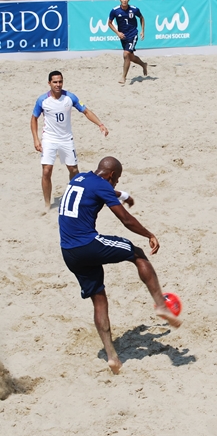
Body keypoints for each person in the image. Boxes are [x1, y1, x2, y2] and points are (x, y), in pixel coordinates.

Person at [59, 156, 181, 375]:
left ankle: (112, 357)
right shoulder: (102, 185)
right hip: (87, 244)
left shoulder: (80, 178)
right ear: (112, 176)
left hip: (69, 252)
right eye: (117, 181)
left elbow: (98, 191)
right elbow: (125, 219)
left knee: (98, 298)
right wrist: (149, 234)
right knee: (138, 254)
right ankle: (161, 305)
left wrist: (122, 194)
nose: (115, 185)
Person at [31, 70, 109, 211]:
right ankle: (47, 204)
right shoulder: (42, 100)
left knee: (73, 169)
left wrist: (100, 124)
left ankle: (73, 198)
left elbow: (86, 111)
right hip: (49, 138)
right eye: (55, 82)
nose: (58, 84)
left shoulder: (70, 97)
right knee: (47, 170)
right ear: (49, 83)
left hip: (66, 139)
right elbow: (34, 118)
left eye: (60, 81)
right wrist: (36, 139)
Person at [108, 0, 148, 84]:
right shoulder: (115, 10)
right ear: (120, 0)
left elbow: (141, 18)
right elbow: (109, 23)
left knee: (126, 54)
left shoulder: (134, 9)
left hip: (133, 34)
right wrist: (117, 33)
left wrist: (142, 31)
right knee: (130, 56)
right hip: (123, 36)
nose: (124, 0)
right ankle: (143, 64)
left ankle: (123, 77)